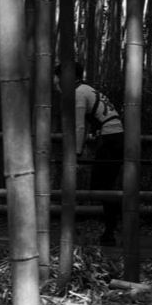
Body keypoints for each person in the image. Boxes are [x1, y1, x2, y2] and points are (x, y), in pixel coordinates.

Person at [54, 63, 123, 246]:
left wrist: (75, 153)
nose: (56, 81)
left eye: (58, 77)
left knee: (102, 187)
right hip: (113, 137)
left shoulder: (78, 93)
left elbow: (79, 126)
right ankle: (110, 230)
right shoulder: (87, 89)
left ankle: (111, 230)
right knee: (103, 186)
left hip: (110, 139)